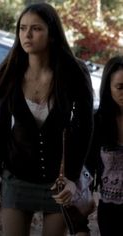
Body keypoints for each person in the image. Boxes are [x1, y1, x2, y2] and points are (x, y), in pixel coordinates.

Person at [0, 2, 93, 236]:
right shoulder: (9, 72)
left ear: (52, 33)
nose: (27, 35)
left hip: (59, 183)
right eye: (22, 29)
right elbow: (2, 127)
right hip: (16, 177)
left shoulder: (74, 72)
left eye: (36, 28)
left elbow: (85, 128)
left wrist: (73, 178)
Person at [86, 55, 123, 236]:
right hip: (111, 211)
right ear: (108, 88)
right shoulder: (98, 123)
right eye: (120, 87)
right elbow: (87, 169)